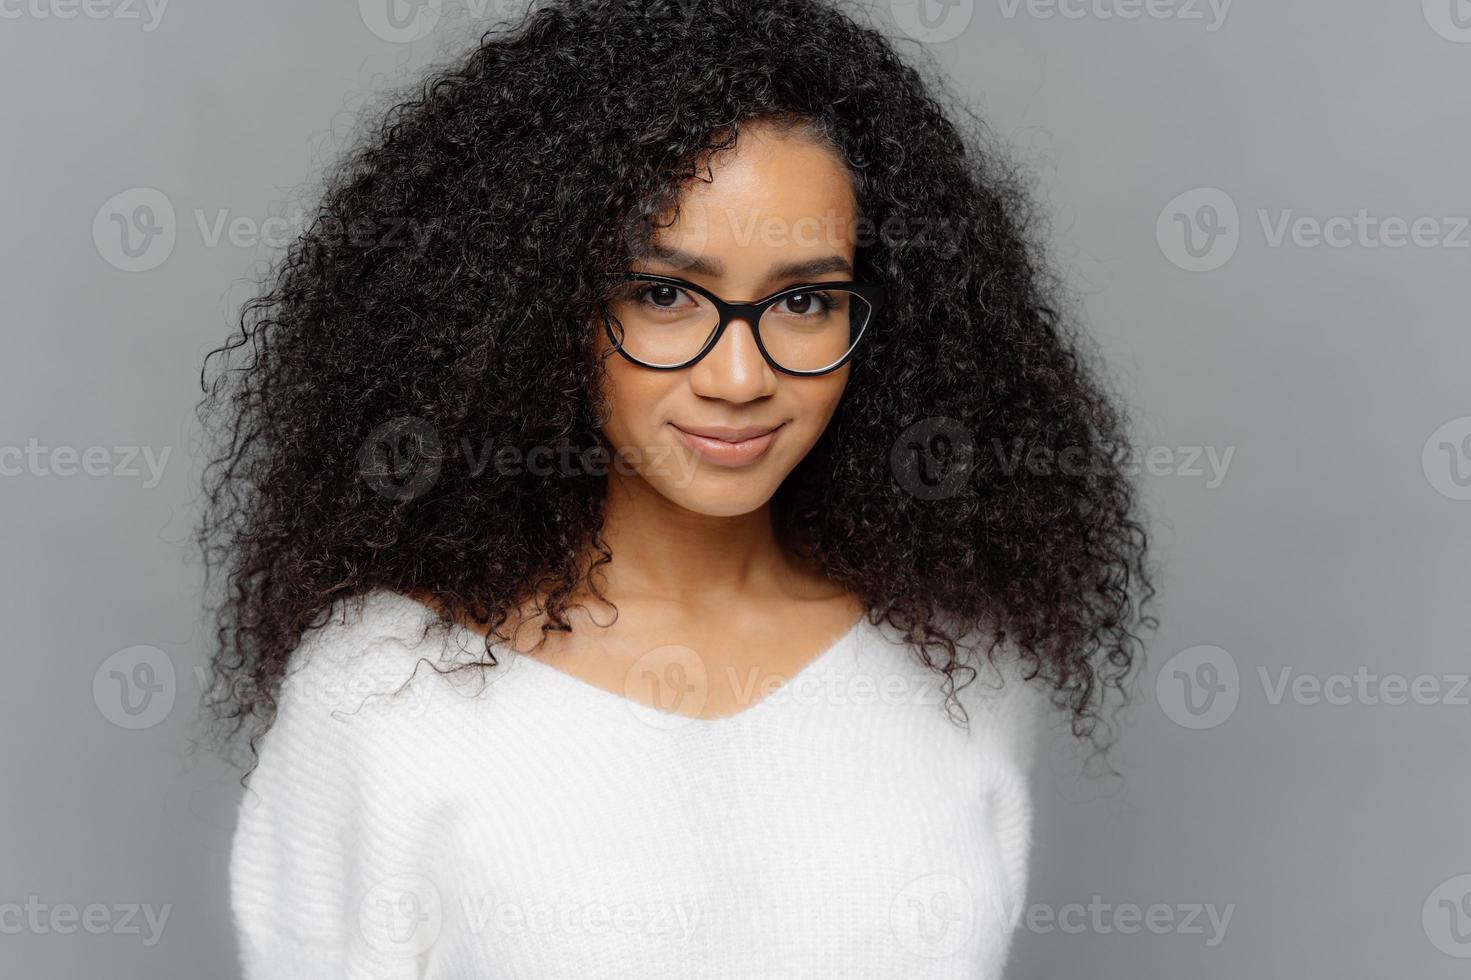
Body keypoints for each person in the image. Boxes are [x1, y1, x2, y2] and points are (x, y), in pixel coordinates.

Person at [196, 1, 1156, 976]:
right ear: (537, 305)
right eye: (661, 293)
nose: (738, 377)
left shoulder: (966, 663)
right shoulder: (382, 692)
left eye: (804, 300)